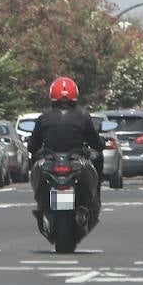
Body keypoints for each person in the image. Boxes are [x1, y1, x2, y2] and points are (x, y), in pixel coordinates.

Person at [26, 76, 105, 217]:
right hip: (75, 160)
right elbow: (95, 142)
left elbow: (33, 145)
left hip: (51, 161)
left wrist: (34, 148)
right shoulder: (83, 116)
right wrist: (101, 144)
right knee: (99, 158)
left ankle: (40, 197)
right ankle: (96, 198)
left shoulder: (44, 117)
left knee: (35, 161)